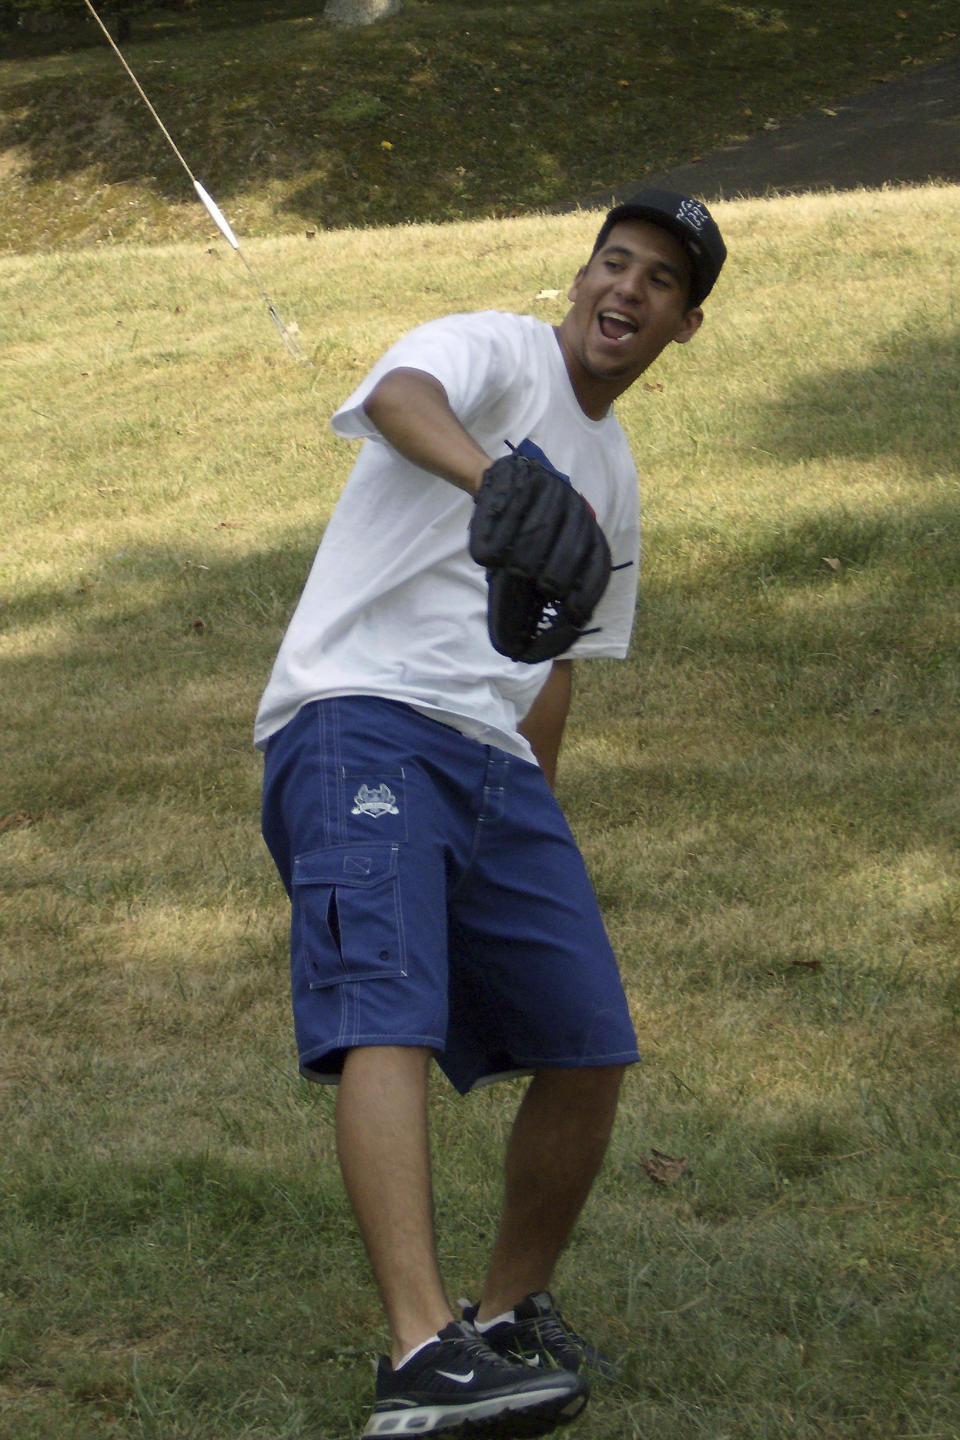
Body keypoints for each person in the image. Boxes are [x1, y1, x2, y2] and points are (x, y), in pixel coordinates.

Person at [256, 189, 727, 1439]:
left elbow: (558, 659)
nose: (626, 290)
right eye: (612, 263)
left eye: (661, 283)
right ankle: (420, 1357)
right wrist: (496, 476)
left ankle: (506, 1318)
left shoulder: (615, 477)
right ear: (580, 277)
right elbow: (403, 397)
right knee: (389, 1011)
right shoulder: (496, 353)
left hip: (493, 766)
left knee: (589, 1038)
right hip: (358, 715)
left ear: (685, 325)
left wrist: (539, 811)